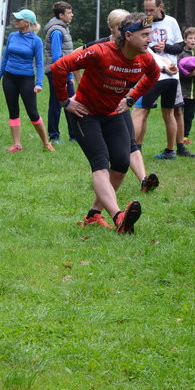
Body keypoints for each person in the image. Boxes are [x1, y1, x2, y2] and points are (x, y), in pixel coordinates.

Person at [51, 12, 160, 233]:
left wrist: (130, 98)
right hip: (85, 114)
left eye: (151, 34)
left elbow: (154, 75)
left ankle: (93, 215)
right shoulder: (100, 52)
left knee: (120, 163)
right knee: (100, 164)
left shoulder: (145, 58)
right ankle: (119, 217)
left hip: (112, 113)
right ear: (128, 35)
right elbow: (58, 68)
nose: (151, 40)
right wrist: (65, 101)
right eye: (146, 34)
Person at [84, 8, 159, 193]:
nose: (125, 29)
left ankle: (143, 179)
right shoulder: (100, 46)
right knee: (106, 154)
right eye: (119, 26)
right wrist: (78, 87)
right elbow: (70, 62)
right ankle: (106, 189)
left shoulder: (134, 48)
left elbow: (151, 65)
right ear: (112, 28)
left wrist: (130, 96)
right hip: (96, 106)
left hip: (120, 102)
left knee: (130, 142)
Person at [133, 0, 195, 159]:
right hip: (151, 73)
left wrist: (166, 47)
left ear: (160, 7)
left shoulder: (171, 22)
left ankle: (176, 148)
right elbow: (142, 47)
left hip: (171, 74)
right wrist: (153, 49)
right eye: (146, 10)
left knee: (174, 112)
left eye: (151, 10)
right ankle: (136, 149)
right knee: (144, 111)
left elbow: (180, 46)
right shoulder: (145, 23)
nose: (148, 13)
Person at [0, 8, 53, 152]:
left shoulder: (36, 41)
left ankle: (46, 143)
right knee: (13, 111)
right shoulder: (12, 36)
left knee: (32, 112)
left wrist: (39, 83)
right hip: (9, 78)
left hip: (26, 79)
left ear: (27, 22)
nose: (16, 20)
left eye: (19, 19)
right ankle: (17, 145)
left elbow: (40, 63)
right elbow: (5, 58)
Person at [44, 1, 76, 143]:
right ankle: (54, 136)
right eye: (69, 13)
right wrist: (67, 75)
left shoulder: (62, 28)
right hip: (58, 72)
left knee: (71, 102)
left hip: (63, 71)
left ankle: (74, 135)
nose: (72, 15)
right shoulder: (57, 31)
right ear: (61, 15)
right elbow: (57, 58)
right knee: (57, 103)